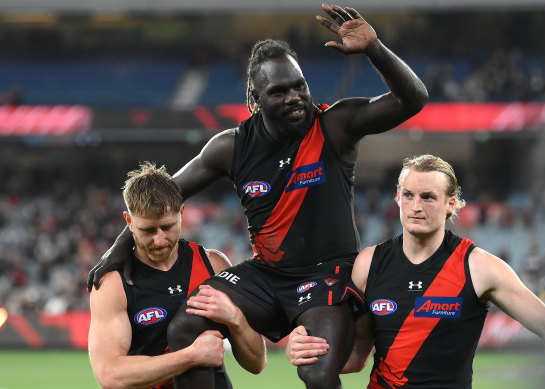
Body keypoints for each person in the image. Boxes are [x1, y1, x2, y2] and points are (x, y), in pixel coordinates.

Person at [88, 4, 428, 389]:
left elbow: (413, 99)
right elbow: (161, 199)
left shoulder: (335, 126)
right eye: (279, 92)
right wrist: (116, 250)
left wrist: (374, 48)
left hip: (326, 276)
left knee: (316, 371)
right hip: (266, 276)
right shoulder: (231, 148)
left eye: (299, 86)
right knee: (187, 325)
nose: (294, 97)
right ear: (255, 98)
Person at [286, 154, 545, 388]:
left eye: (428, 197)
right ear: (397, 197)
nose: (416, 206)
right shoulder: (368, 264)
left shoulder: (480, 267)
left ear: (451, 204)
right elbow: (357, 355)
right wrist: (309, 350)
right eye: (409, 195)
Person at [88, 162, 266, 389]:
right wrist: (190, 356)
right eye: (148, 230)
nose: (159, 239)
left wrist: (236, 319)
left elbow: (257, 363)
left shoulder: (213, 265)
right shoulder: (113, 284)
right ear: (129, 221)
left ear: (182, 212)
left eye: (167, 226)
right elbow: (110, 376)